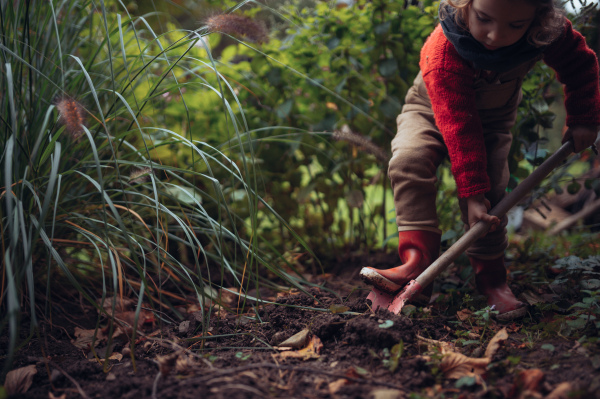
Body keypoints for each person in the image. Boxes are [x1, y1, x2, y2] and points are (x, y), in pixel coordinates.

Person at [361, 0, 600, 320]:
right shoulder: (444, 51)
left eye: (515, 26)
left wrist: (584, 117)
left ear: (536, 18)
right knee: (409, 161)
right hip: (430, 112)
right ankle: (415, 263)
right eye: (484, 19)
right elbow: (459, 126)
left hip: (491, 125)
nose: (495, 35)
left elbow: (580, 64)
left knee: (492, 199)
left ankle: (492, 281)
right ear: (464, 5)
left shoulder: (546, 32)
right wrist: (471, 193)